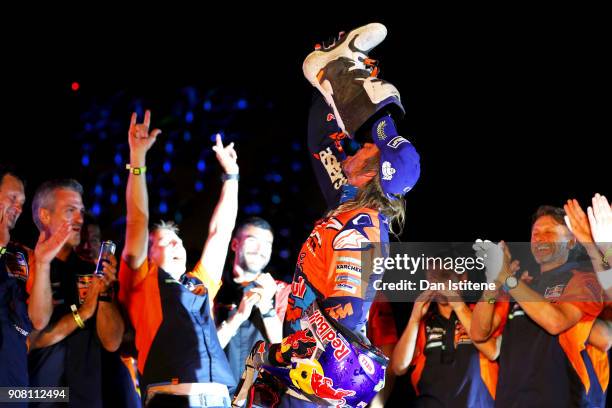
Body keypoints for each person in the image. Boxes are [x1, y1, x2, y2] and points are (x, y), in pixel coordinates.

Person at [233, 22, 420, 408]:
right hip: (301, 380)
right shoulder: (348, 201)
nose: (364, 143)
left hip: (311, 390)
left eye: (372, 148)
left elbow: (341, 325)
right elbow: (320, 142)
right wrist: (329, 82)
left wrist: (272, 357)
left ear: (372, 172)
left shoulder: (362, 227)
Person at [118, 110, 239, 407]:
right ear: (149, 252)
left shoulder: (198, 283)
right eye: (166, 241)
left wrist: (231, 177)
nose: (178, 245)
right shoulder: (140, 280)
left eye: (180, 240)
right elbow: (137, 220)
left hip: (219, 396)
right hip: (169, 396)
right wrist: (137, 160)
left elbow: (220, 233)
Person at [471, 205, 605, 407]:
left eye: (549, 232)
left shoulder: (585, 279)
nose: (540, 238)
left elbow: (556, 321)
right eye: (535, 234)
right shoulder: (522, 286)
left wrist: (507, 278)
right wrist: (494, 282)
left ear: (570, 241)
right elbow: (479, 333)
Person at [27, 179, 125, 408]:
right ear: (45, 216)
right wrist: (83, 313)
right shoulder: (24, 267)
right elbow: (27, 340)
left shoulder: (90, 271)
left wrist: (105, 291)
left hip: (87, 398)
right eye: (70, 211)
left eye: (81, 211)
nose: (80, 220)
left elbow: (112, 342)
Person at [391, 268, 505, 407]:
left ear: (463, 278)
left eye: (444, 275)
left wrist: (457, 305)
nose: (439, 283)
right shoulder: (424, 321)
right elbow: (399, 367)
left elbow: (492, 351)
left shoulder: (480, 312)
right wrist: (414, 318)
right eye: (432, 278)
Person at [215, 217, 290, 382]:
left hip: (263, 397)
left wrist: (266, 306)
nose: (260, 250)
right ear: (235, 245)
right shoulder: (213, 289)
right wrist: (237, 317)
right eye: (253, 241)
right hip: (217, 393)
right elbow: (204, 350)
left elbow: (287, 352)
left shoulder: (283, 291)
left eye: (267, 244)